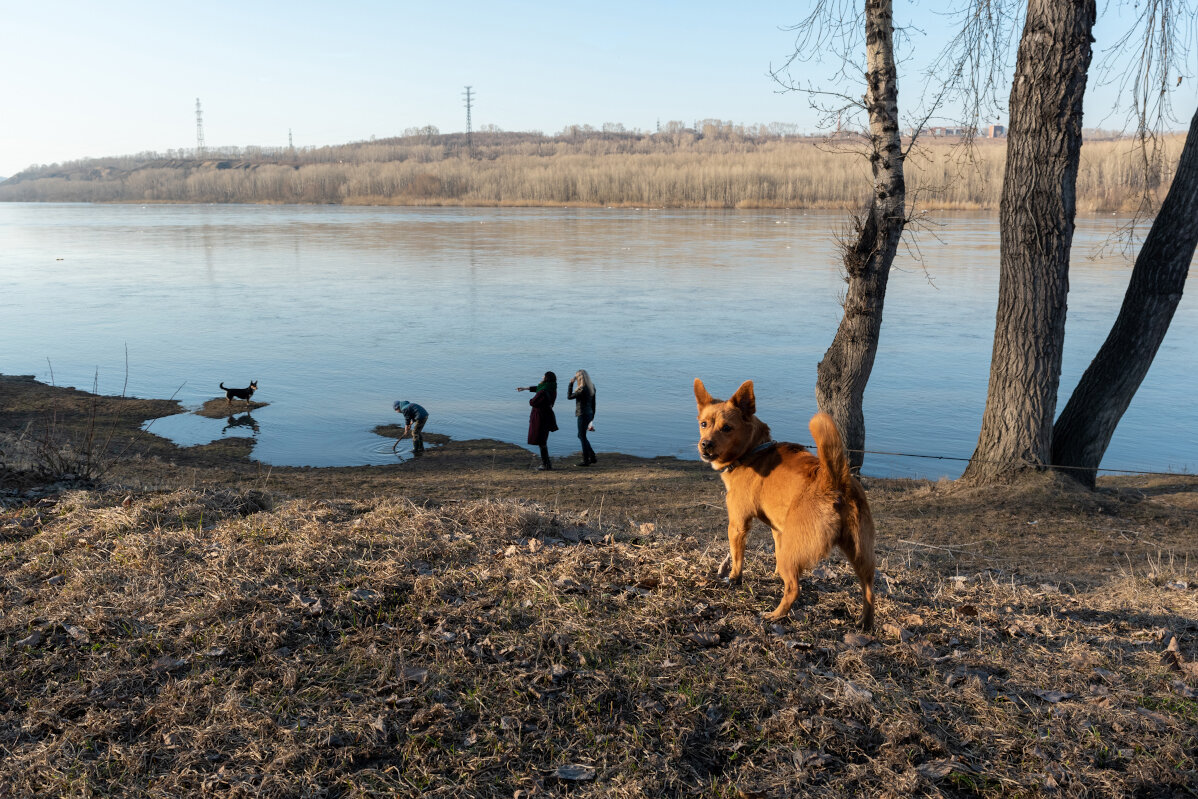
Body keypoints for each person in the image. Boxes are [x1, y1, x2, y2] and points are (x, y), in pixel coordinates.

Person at [517, 371, 558, 470]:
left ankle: (546, 465)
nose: (541, 377)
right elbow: (538, 389)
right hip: (547, 415)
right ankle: (546, 464)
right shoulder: (551, 387)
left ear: (546, 378)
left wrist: (530, 400)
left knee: (541, 440)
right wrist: (525, 388)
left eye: (543, 376)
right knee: (542, 440)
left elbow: (533, 402)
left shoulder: (543, 391)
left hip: (540, 417)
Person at [567, 369, 597, 466]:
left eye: (576, 377)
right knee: (581, 436)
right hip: (589, 413)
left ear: (579, 378)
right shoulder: (592, 387)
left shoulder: (582, 389)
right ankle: (592, 457)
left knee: (582, 436)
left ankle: (586, 460)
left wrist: (570, 384)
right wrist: (592, 417)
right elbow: (594, 403)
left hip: (582, 414)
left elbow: (569, 396)